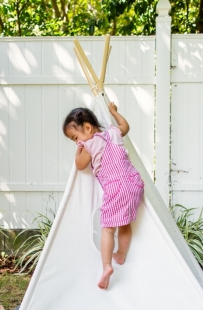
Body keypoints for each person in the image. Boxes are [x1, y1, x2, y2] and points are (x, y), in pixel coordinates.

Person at [62, 102, 145, 290]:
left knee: (108, 229)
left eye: (76, 137)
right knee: (125, 222)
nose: (77, 142)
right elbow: (126, 126)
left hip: (115, 188)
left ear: (88, 128)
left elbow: (80, 164)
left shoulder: (90, 144)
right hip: (134, 182)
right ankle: (121, 253)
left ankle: (107, 267)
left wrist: (79, 149)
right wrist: (114, 112)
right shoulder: (113, 133)